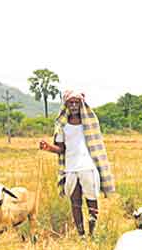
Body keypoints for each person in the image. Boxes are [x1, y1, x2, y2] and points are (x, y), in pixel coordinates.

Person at [39, 91, 115, 236]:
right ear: (66, 105)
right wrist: (48, 147)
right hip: (71, 169)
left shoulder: (89, 124)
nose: (73, 105)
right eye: (71, 103)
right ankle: (81, 235)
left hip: (88, 167)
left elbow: (96, 144)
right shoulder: (62, 126)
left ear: (81, 104)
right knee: (75, 203)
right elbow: (61, 149)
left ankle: (92, 234)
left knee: (91, 201)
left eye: (76, 102)